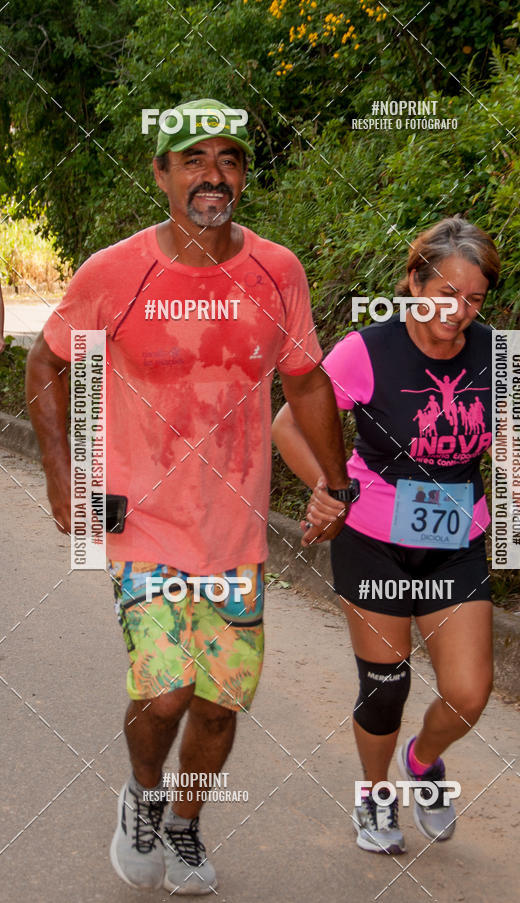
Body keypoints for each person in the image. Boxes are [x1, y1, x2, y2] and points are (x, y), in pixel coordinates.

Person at [26, 98, 352, 894]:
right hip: (143, 518)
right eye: (194, 159)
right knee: (166, 692)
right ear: (161, 173)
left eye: (230, 160)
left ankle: (186, 825)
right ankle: (141, 796)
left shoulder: (278, 272)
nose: (214, 175)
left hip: (234, 531)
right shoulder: (114, 272)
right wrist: (63, 475)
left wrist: (334, 482)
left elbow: (306, 382)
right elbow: (45, 364)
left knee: (217, 703)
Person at [272, 216, 520, 855]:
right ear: (413, 280)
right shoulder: (366, 351)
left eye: (474, 298)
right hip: (372, 535)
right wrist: (329, 487)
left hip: (456, 537)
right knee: (386, 684)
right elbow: (289, 424)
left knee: (469, 691)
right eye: (445, 291)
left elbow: (504, 445)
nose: (457, 310)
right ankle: (375, 797)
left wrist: (518, 489)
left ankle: (423, 763)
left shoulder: (498, 354)